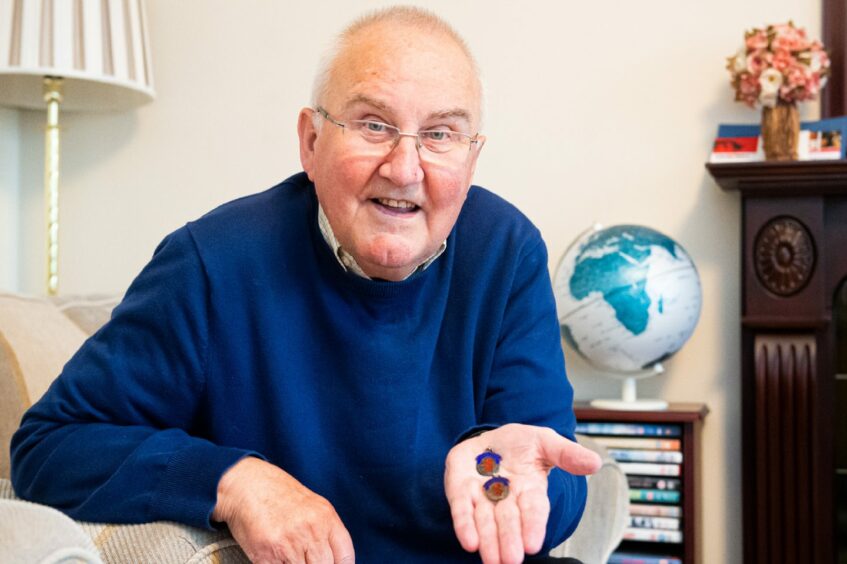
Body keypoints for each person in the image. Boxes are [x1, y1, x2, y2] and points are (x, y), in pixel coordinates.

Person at [11, 7, 600, 564]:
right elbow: (50, 448)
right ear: (311, 142)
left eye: (441, 134)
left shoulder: (507, 251)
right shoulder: (212, 262)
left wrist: (509, 478)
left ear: (472, 161)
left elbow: (551, 470)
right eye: (374, 125)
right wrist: (233, 481)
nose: (404, 167)